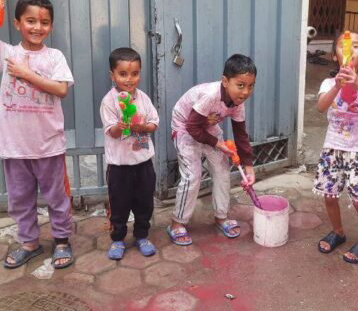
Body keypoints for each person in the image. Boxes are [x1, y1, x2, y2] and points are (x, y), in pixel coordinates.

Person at [0, 0, 76, 270]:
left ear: (50, 26)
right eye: (30, 21)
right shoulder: (6, 53)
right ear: (17, 23)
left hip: (49, 145)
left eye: (44, 22)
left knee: (57, 197)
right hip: (15, 146)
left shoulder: (54, 57)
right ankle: (29, 242)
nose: (37, 27)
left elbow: (61, 89)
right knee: (20, 200)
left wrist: (27, 74)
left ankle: (62, 239)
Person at [167, 54, 257, 245]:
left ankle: (221, 217)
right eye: (240, 85)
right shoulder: (210, 95)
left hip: (207, 125)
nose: (245, 92)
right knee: (193, 175)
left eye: (250, 86)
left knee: (222, 169)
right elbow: (192, 127)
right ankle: (177, 223)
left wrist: (249, 169)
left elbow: (241, 136)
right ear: (225, 81)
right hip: (185, 126)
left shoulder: (238, 103)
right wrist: (217, 144)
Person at [314, 30, 358, 264]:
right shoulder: (327, 83)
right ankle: (339, 231)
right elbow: (321, 107)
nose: (349, 51)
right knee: (330, 195)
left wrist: (357, 85)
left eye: (356, 46)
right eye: (344, 47)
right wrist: (337, 86)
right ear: (335, 56)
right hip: (332, 148)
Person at [99, 47, 159, 260]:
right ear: (112, 75)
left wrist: (142, 126)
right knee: (120, 206)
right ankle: (118, 239)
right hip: (119, 166)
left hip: (143, 163)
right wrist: (122, 125)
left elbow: (154, 124)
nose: (129, 79)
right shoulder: (109, 101)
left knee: (145, 203)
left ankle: (142, 235)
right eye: (123, 74)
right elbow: (112, 133)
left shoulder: (143, 98)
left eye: (134, 73)